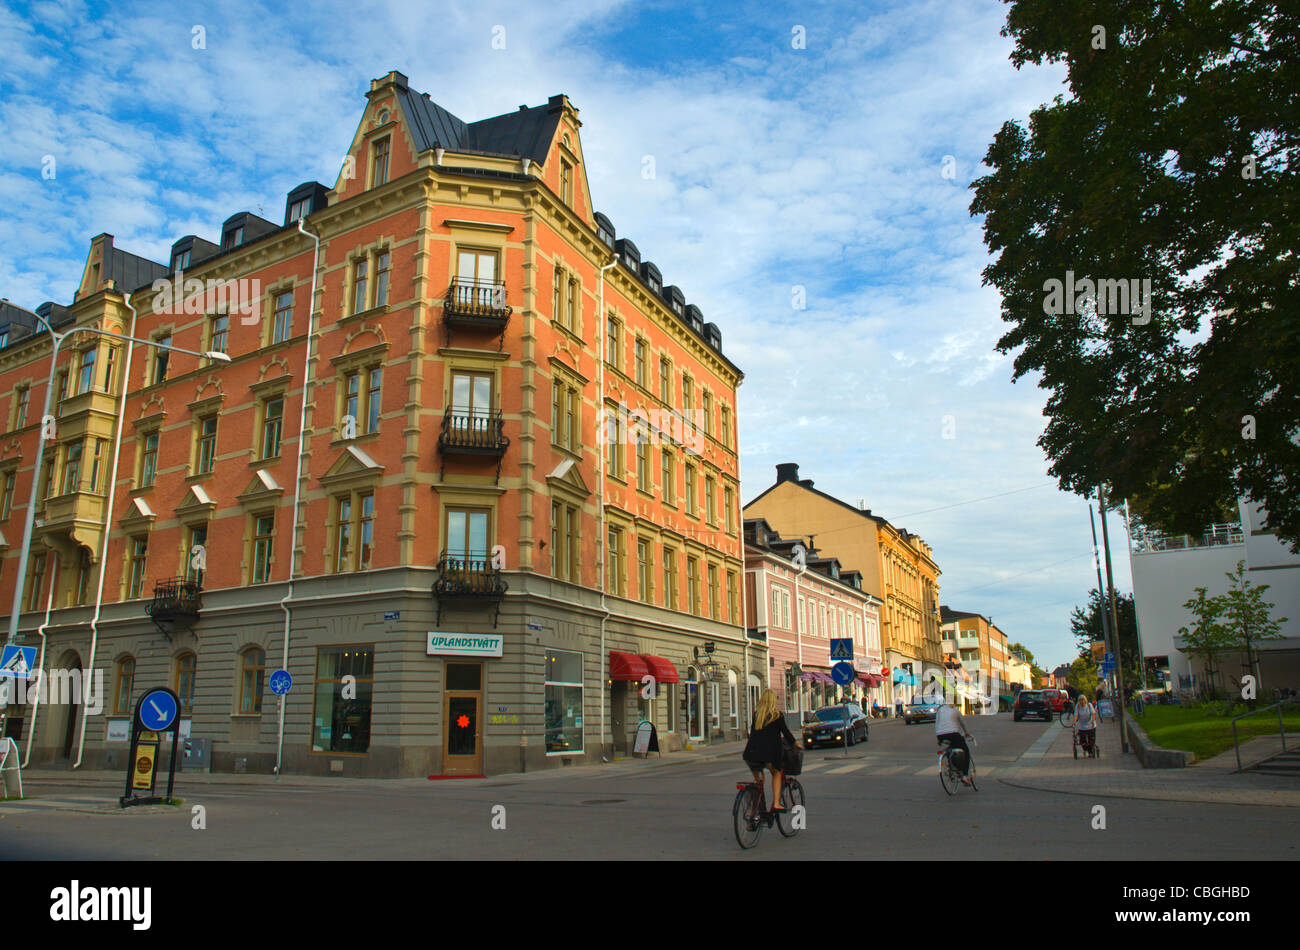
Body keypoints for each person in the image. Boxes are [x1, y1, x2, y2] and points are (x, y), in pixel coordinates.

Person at [743, 689, 800, 814]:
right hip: (767, 756)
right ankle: (776, 803)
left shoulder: (757, 715)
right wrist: (795, 743)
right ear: (773, 701)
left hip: (750, 755)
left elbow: (753, 734)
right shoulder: (777, 715)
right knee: (776, 773)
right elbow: (786, 733)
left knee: (758, 785)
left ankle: (753, 813)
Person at [934, 697, 974, 785]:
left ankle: (951, 766)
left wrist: (938, 738)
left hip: (940, 735)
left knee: (951, 747)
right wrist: (967, 733)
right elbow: (962, 723)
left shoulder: (939, 710)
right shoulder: (955, 710)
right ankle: (964, 775)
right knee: (965, 750)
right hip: (953, 734)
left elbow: (936, 724)